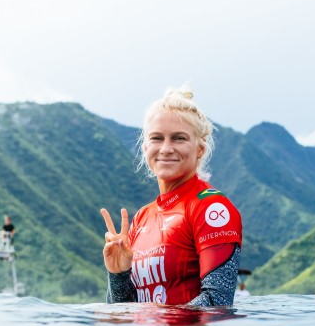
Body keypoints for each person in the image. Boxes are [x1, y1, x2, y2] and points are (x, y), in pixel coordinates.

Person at [100, 86, 243, 307]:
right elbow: (125, 313)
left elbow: (217, 303)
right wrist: (118, 274)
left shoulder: (211, 208)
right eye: (157, 138)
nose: (166, 148)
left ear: (200, 149)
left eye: (179, 138)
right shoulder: (142, 218)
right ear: (145, 147)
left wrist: (160, 321)